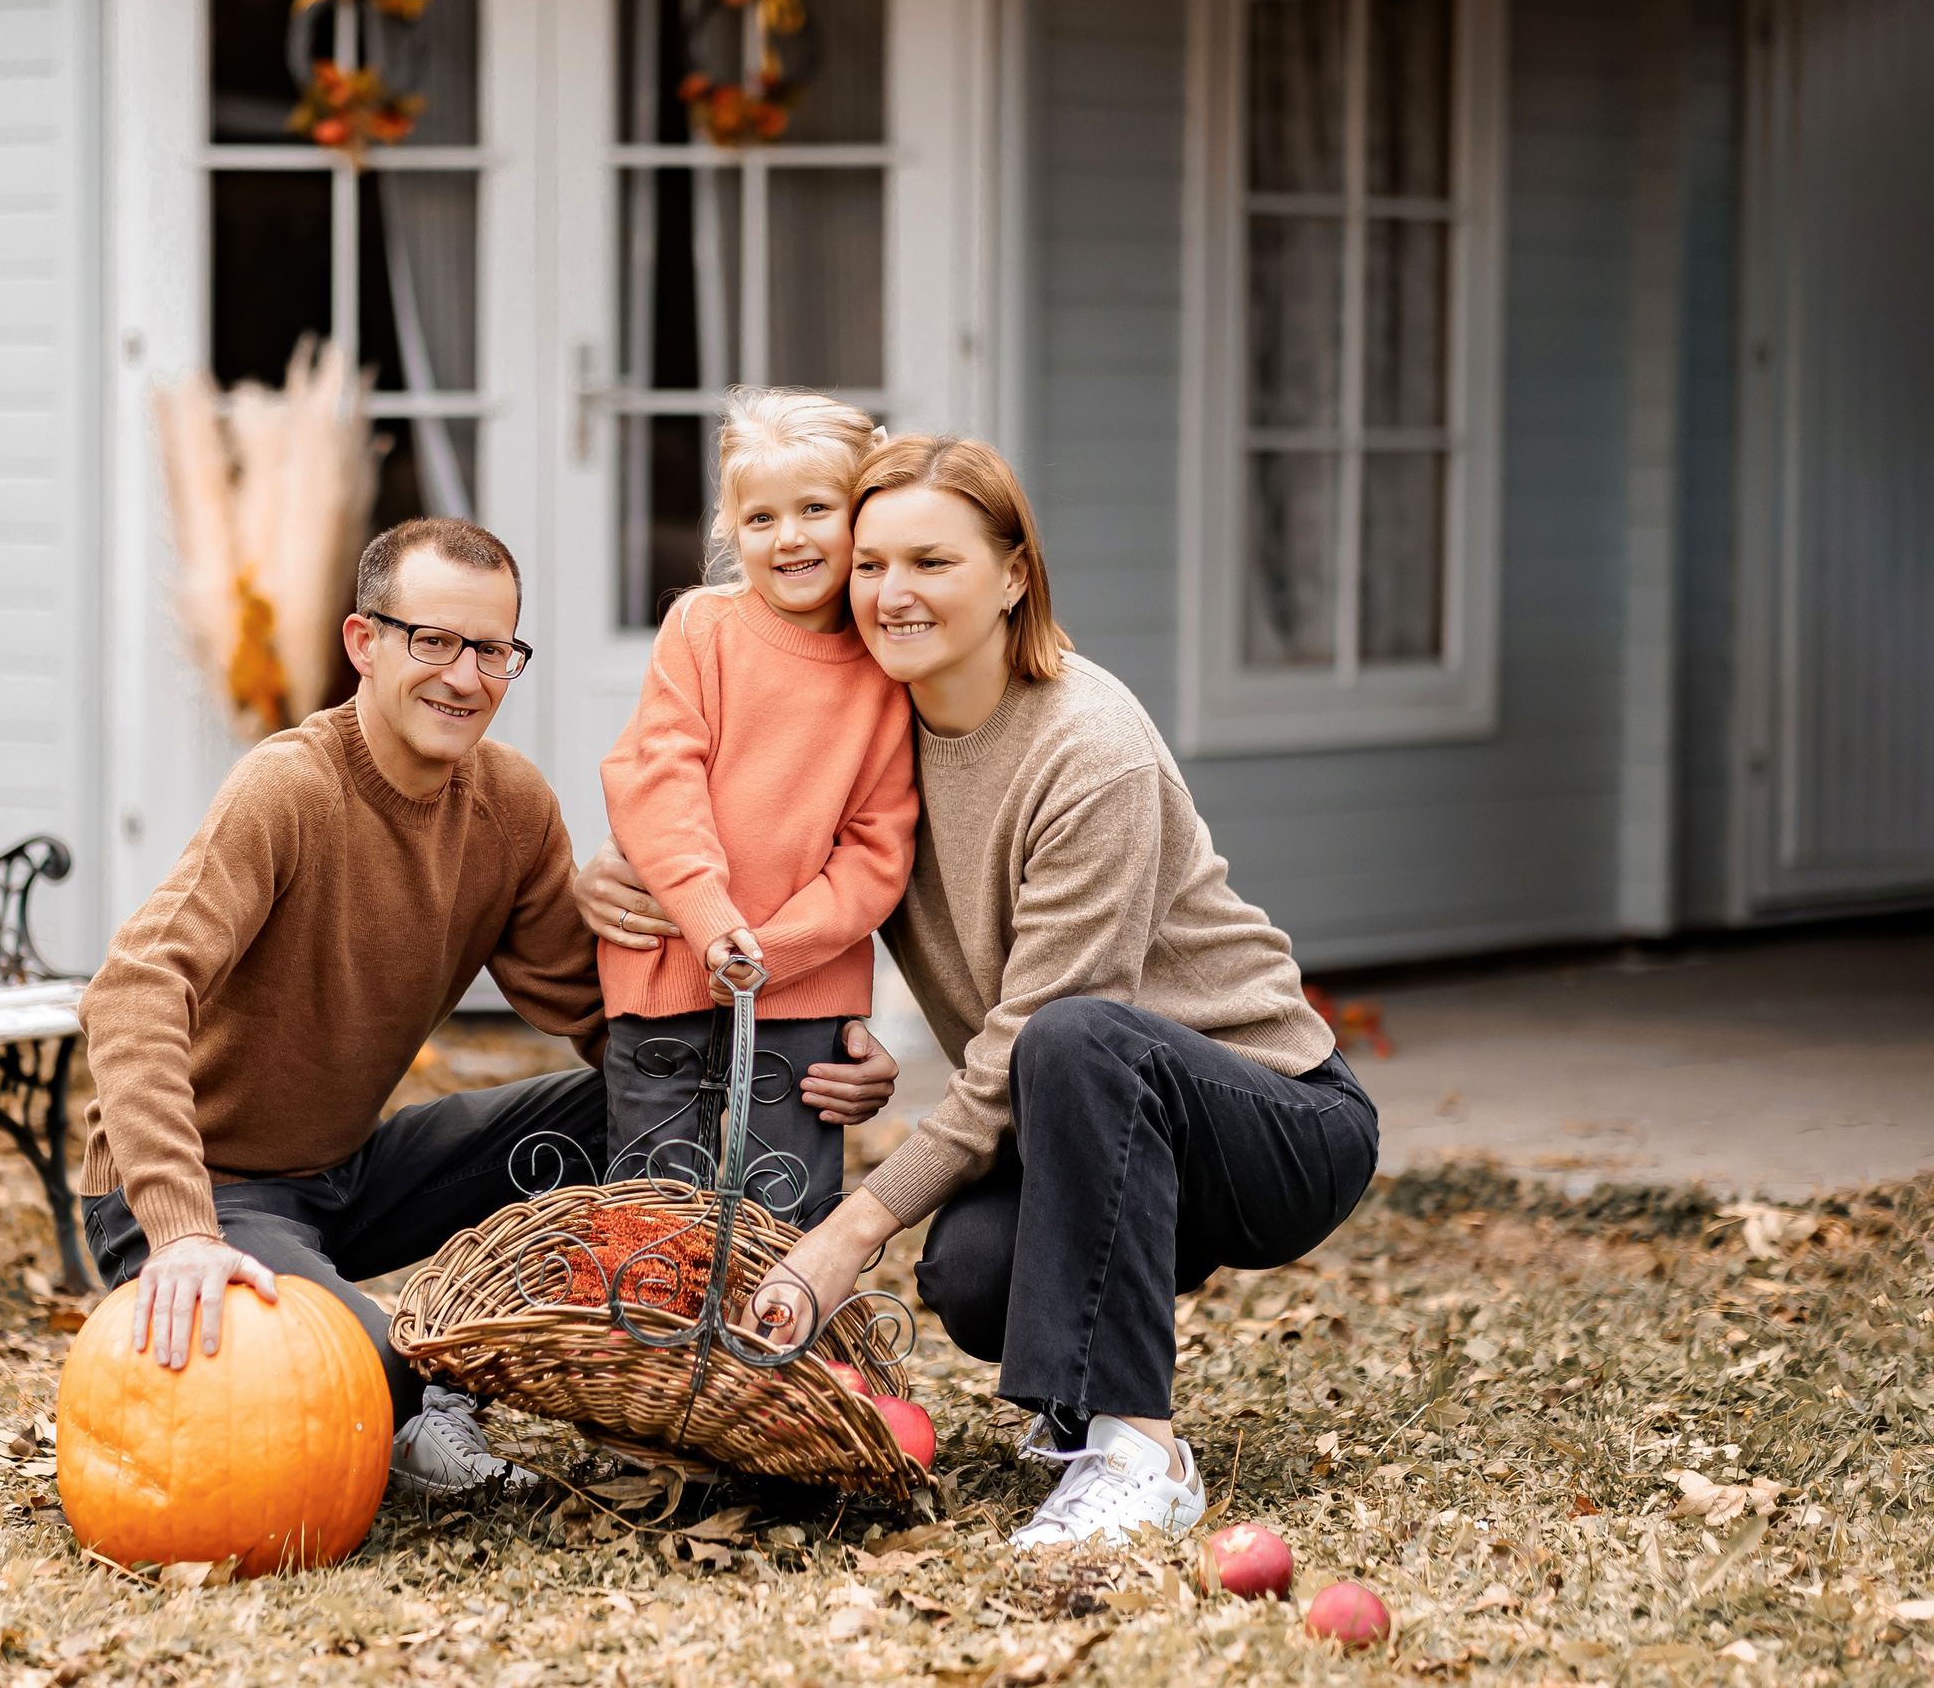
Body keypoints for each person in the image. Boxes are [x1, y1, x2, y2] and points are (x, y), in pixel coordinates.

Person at [576, 436, 1380, 1548]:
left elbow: (1045, 1029)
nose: (891, 593)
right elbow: (764, 847)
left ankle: (1143, 1452)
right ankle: (1078, 1399)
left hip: (1272, 1117)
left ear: (1012, 575)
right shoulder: (876, 735)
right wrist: (622, 877)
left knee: (1074, 1037)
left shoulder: (1087, 747)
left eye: (931, 562)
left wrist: (850, 1232)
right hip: (1083, 1114)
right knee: (972, 1272)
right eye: (871, 564)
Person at [77, 517, 608, 1495]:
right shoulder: (289, 790)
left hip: (342, 1174)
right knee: (363, 1367)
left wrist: (752, 1034)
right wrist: (181, 1228)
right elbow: (133, 988)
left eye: (492, 650)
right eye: (433, 641)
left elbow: (597, 1005)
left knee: (629, 1109)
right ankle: (422, 1399)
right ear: (364, 642)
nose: (464, 677)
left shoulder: (510, 807)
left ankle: (649, 1359)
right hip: (198, 1187)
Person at [596, 388, 916, 1224]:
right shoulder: (700, 629)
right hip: (667, 976)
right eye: (761, 517)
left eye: (816, 509)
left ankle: (780, 1315)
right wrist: (709, 919)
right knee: (655, 1209)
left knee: (786, 1211)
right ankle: (654, 1318)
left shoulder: (885, 673)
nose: (789, 537)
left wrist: (771, 951)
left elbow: (875, 852)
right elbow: (658, 779)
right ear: (730, 529)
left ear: (862, 517)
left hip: (802, 996)